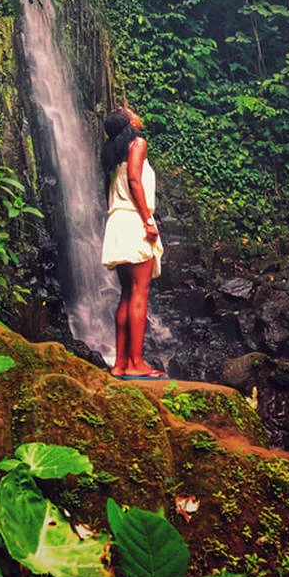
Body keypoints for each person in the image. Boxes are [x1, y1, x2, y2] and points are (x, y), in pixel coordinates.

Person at [101, 105, 166, 379]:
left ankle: (119, 364)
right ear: (129, 122)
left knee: (127, 294)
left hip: (117, 222)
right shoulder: (137, 143)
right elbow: (135, 180)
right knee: (140, 292)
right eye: (131, 112)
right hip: (134, 221)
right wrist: (148, 220)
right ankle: (137, 363)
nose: (136, 114)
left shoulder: (113, 152)